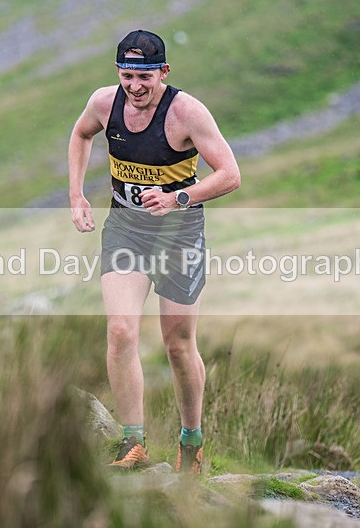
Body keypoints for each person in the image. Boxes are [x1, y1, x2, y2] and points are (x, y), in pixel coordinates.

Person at [68, 29, 240, 475]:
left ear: (163, 72)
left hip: (180, 233)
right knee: (121, 330)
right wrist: (76, 195)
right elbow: (81, 134)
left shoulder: (187, 113)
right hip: (126, 229)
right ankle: (133, 442)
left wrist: (178, 198)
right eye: (127, 75)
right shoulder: (105, 103)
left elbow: (230, 174)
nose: (135, 86)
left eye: (144, 76)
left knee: (178, 344)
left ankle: (192, 442)